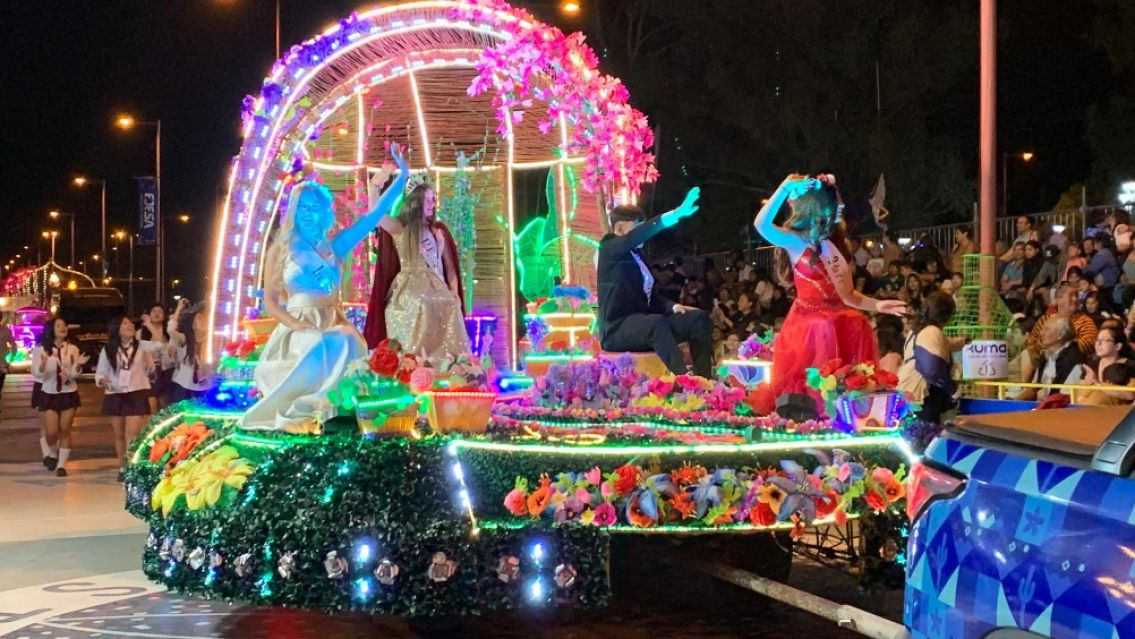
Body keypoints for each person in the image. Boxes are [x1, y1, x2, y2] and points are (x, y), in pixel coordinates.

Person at [242, 144, 409, 433]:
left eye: (314, 208)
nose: (308, 214)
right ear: (294, 212)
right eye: (303, 208)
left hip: (331, 320)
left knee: (348, 340)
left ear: (323, 213)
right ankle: (303, 413)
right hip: (297, 328)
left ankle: (336, 414)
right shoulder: (280, 250)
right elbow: (270, 302)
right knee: (316, 343)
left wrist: (403, 176)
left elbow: (374, 215)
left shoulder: (336, 247)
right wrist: (295, 323)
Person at [751, 174, 905, 412]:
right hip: (809, 324)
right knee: (823, 331)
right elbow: (761, 224)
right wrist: (784, 188)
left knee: (857, 321)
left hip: (838, 319)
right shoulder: (795, 241)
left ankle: (847, 415)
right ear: (815, 208)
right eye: (834, 208)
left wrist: (878, 305)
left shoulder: (831, 247)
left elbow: (849, 296)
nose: (837, 213)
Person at [597, 188, 713, 377]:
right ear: (619, 229)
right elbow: (636, 236)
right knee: (655, 323)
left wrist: (674, 306)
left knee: (698, 318)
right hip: (617, 329)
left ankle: (704, 380)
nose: (644, 235)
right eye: (638, 227)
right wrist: (675, 214)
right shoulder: (609, 247)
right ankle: (684, 381)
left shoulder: (638, 257)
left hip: (647, 324)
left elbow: (650, 297)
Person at [364, 170, 470, 360]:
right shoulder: (400, 228)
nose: (433, 204)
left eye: (433, 199)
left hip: (436, 285)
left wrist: (454, 293)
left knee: (450, 304)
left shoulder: (438, 232)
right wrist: (374, 186)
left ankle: (449, 363)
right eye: (428, 199)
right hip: (408, 286)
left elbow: (450, 268)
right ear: (415, 201)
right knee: (419, 302)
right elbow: (376, 215)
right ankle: (412, 362)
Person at [96, 316, 160, 482]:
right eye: (124, 323)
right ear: (117, 328)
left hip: (136, 392)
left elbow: (160, 344)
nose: (129, 325)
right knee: (119, 434)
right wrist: (103, 380)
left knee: (131, 433)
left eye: (131, 323)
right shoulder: (108, 348)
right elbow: (101, 372)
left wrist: (150, 326)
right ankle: (122, 466)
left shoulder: (141, 345)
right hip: (115, 393)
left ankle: (132, 467)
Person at [33, 316, 88, 477]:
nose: (63, 328)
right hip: (49, 392)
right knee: (51, 432)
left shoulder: (72, 349)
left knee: (65, 430)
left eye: (64, 325)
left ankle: (62, 465)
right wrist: (43, 366)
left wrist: (76, 368)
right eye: (59, 326)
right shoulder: (40, 349)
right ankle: (51, 453)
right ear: (51, 329)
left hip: (68, 392)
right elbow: (35, 373)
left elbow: (75, 374)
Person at [898, 292, 965, 423]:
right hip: (923, 393)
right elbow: (932, 369)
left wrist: (964, 341)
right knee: (927, 437)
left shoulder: (917, 330)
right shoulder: (932, 331)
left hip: (908, 390)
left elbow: (946, 343)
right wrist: (952, 389)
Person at [1015, 317, 1083, 401]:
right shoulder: (1045, 355)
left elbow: (1065, 397)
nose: (1041, 333)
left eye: (1046, 330)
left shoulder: (1073, 360)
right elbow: (1034, 387)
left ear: (1060, 335)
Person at [168, 300, 215, 402]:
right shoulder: (185, 338)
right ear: (192, 323)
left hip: (205, 387)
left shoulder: (212, 341)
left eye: (204, 318)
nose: (201, 321)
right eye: (198, 318)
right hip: (183, 386)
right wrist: (179, 308)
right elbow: (171, 330)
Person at [1079, 326, 1135, 405]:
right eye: (1097, 340)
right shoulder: (1091, 364)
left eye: (1104, 340)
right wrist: (1088, 385)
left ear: (1118, 346)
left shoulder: (1131, 366)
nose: (1098, 344)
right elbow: (1080, 396)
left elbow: (1130, 395)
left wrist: (1098, 384)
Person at [139, 302, 174, 412]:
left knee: (165, 404)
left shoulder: (169, 332)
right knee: (152, 407)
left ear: (164, 316)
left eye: (160, 311)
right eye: (154, 311)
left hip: (167, 371)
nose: (157, 313)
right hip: (150, 373)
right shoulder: (141, 333)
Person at [0, 314, 13, 410]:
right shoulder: (5, 331)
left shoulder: (5, 331)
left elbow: (14, 347)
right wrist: (10, 360)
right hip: (2, 365)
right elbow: (14, 347)